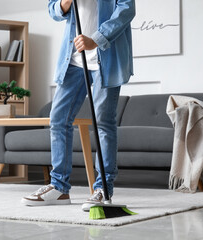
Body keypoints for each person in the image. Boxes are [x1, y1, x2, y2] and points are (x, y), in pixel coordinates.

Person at [22, 0, 135, 211]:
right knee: (58, 118)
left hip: (106, 55)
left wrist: (97, 38)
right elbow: (54, 10)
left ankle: (103, 188)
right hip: (73, 58)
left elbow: (126, 9)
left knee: (103, 121)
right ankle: (59, 187)